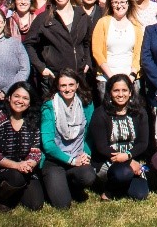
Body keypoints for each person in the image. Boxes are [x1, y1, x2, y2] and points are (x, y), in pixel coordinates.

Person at [0, 81, 45, 211]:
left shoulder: (32, 121)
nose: (20, 101)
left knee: (35, 205)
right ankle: (1, 199)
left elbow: (36, 151)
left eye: (25, 98)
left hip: (24, 170)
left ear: (30, 102)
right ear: (9, 98)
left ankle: (15, 192)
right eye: (17, 96)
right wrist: (16, 166)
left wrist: (29, 163)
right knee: (15, 176)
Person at [26, 0, 94, 98]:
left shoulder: (82, 15)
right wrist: (42, 68)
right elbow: (29, 44)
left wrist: (87, 62)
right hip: (54, 78)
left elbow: (87, 41)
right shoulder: (44, 18)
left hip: (78, 77)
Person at [39, 71, 95, 210]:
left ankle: (71, 185)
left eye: (71, 85)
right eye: (63, 85)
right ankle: (52, 182)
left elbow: (88, 135)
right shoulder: (49, 107)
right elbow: (48, 145)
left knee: (88, 176)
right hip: (54, 160)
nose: (67, 89)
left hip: (77, 156)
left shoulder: (86, 105)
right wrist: (71, 161)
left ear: (77, 85)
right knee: (62, 205)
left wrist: (85, 154)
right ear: (58, 87)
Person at [89, 75, 152, 201]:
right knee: (124, 173)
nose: (120, 94)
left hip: (131, 159)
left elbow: (143, 143)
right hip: (108, 161)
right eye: (116, 90)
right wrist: (127, 161)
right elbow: (101, 147)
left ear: (130, 92)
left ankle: (121, 185)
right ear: (110, 93)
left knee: (140, 195)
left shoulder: (139, 112)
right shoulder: (100, 113)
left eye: (124, 90)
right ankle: (109, 191)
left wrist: (129, 156)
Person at [92, 0, 144, 98]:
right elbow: (97, 52)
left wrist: (131, 76)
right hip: (106, 79)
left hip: (130, 80)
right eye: (115, 2)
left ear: (128, 3)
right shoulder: (103, 23)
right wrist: (112, 77)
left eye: (122, 2)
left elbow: (138, 54)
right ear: (111, 4)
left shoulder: (136, 26)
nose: (119, 5)